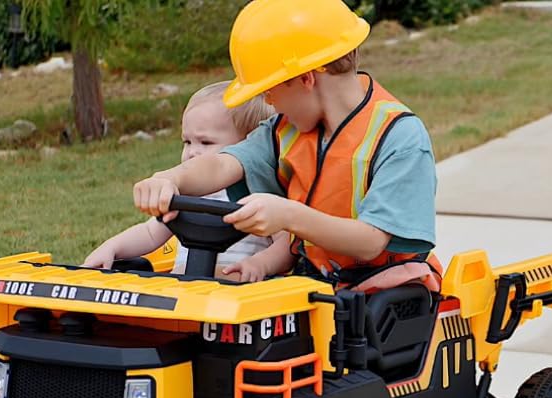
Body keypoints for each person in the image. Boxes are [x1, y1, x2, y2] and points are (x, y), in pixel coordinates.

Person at [131, 0, 442, 293]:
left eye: (268, 90)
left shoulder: (399, 138)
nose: (268, 102)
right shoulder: (285, 130)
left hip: (386, 299)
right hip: (317, 286)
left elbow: (372, 240)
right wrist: (171, 178)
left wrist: (290, 216)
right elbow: (223, 164)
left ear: (306, 78)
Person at [83, 82, 291, 281]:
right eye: (187, 142)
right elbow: (149, 233)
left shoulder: (260, 194)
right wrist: (112, 247)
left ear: (249, 146)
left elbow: (287, 243)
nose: (192, 152)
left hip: (241, 300)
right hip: (185, 299)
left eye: (205, 142)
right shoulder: (185, 195)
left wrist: (260, 264)